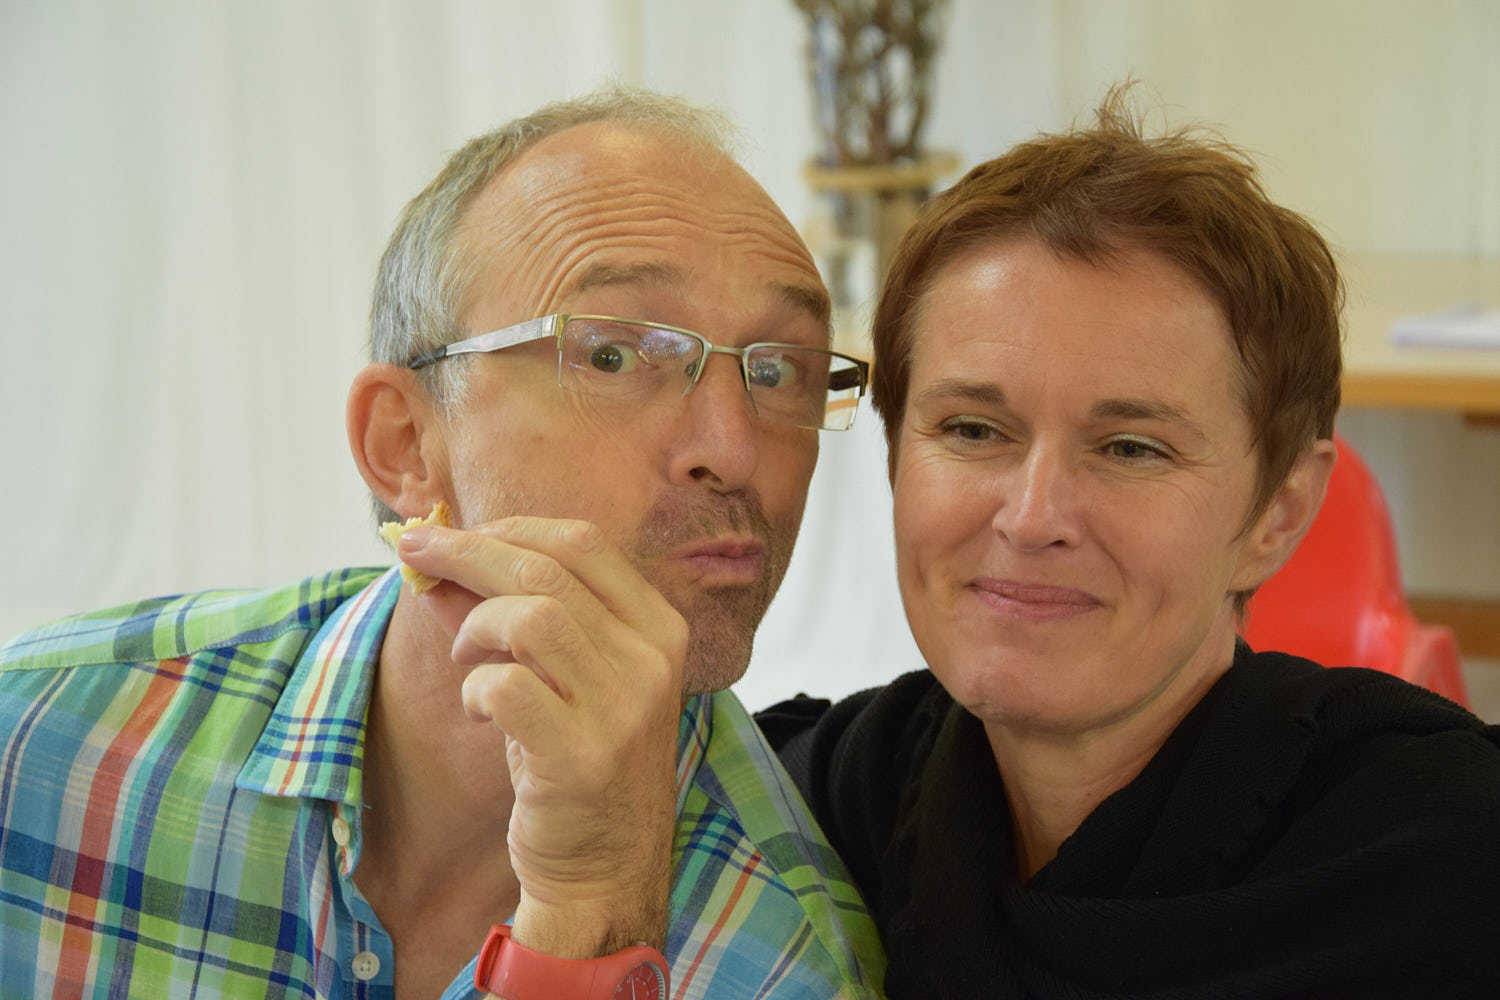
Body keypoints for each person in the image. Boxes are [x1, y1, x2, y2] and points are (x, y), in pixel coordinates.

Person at [0, 88, 884, 999]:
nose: (735, 451)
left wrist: (593, 919)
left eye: (780, 371)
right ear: (406, 445)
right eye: (614, 355)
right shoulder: (38, 741)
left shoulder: (800, 967)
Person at [760, 90, 1500, 998]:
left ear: (1277, 513)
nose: (1031, 516)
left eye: (1131, 448)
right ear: (893, 459)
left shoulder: (1444, 867)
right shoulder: (830, 806)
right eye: (973, 430)